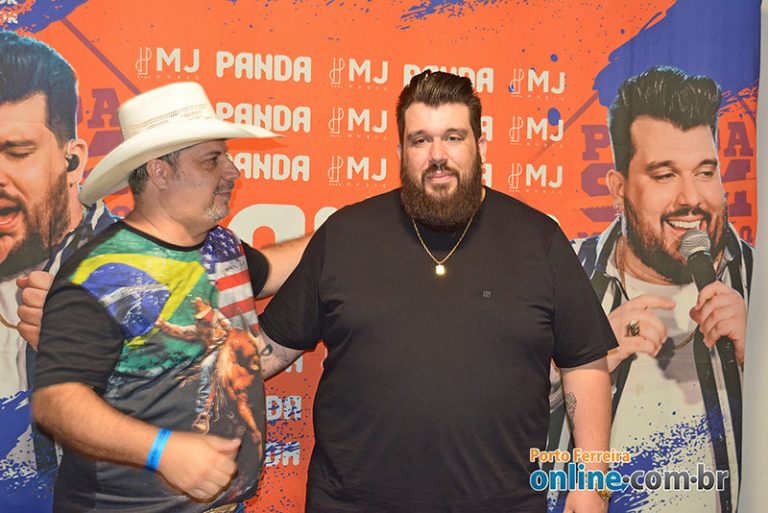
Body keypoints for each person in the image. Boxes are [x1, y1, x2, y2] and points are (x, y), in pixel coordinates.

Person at [258, 70, 617, 513]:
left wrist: (592, 481)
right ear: (400, 153)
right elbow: (271, 350)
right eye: (420, 140)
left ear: (481, 146)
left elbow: (585, 361)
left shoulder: (538, 239)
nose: (438, 155)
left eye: (453, 137)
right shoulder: (345, 235)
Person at [32, 82, 305, 512]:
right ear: (159, 172)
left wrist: (348, 229)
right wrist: (161, 450)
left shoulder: (221, 246)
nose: (232, 171)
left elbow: (271, 270)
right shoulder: (101, 274)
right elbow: (56, 400)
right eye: (212, 159)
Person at [547, 67, 750, 513]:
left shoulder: (759, 281)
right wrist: (582, 359)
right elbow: (487, 411)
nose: (691, 198)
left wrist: (755, 357)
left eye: (705, 172)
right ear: (618, 190)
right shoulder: (562, 271)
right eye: (664, 175)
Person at [0, 31, 115, 511]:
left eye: (16, 152)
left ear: (73, 161)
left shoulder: (132, 270)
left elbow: (190, 416)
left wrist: (89, 350)